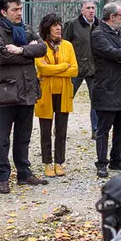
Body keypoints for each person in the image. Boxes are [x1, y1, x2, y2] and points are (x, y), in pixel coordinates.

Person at [0, 0, 49, 194]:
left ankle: (24, 173)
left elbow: (42, 48)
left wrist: (21, 50)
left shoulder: (26, 27)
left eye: (20, 9)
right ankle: (2, 177)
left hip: (27, 91)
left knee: (24, 136)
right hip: (5, 92)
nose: (19, 13)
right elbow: (1, 56)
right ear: (4, 12)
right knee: (2, 138)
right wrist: (27, 54)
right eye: (15, 10)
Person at [91, 2, 121, 178]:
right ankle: (101, 163)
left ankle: (117, 159)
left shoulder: (120, 32)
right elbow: (113, 53)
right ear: (112, 17)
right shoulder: (98, 34)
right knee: (104, 129)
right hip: (107, 89)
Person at [35, 14, 78, 178]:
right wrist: (63, 67)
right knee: (45, 130)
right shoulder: (40, 46)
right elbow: (42, 69)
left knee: (61, 130)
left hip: (63, 92)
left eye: (59, 25)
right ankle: (47, 163)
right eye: (54, 25)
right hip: (45, 93)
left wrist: (53, 69)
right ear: (47, 28)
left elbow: (74, 70)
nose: (58, 28)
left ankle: (59, 162)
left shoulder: (67, 45)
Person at [63, 0, 99, 139]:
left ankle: (95, 130)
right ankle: (61, 126)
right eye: (88, 8)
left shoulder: (99, 25)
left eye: (93, 8)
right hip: (76, 67)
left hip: (93, 68)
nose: (91, 10)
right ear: (82, 10)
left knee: (96, 99)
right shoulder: (73, 25)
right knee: (67, 97)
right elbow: (65, 43)